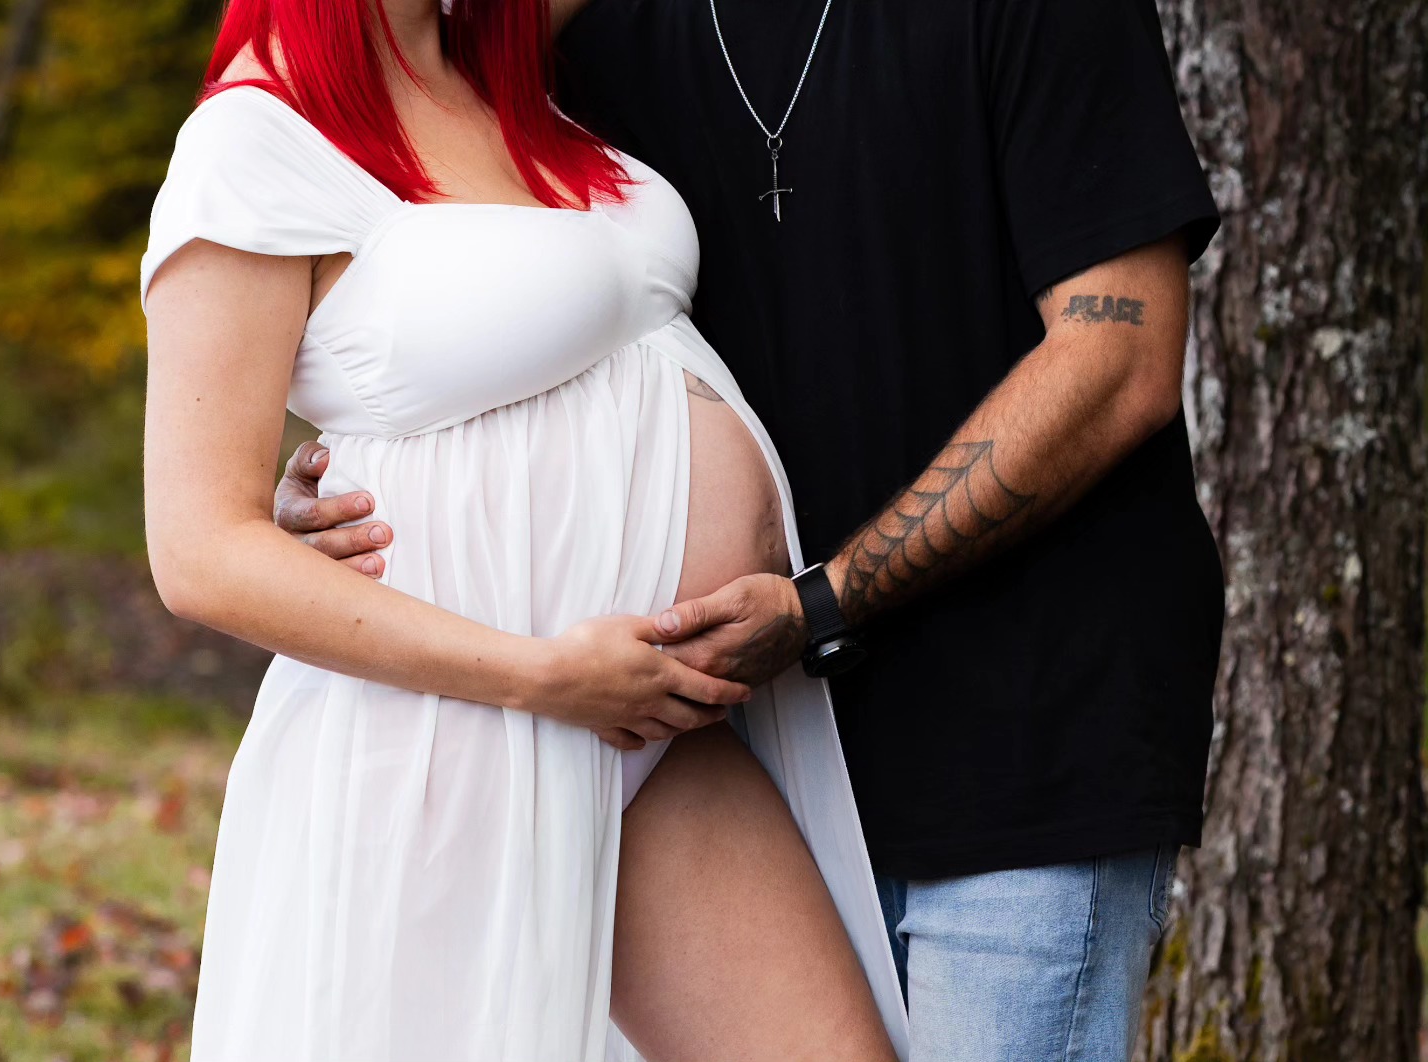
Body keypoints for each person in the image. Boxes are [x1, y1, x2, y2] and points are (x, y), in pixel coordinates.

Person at [284, 0, 1227, 1059]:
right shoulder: (582, 32)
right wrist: (362, 470)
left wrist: (823, 601)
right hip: (732, 756)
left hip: (1029, 730)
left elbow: (1121, 360)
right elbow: (496, 299)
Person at [140, 0, 910, 1058]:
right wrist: (539, 675)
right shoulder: (253, 138)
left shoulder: (509, 75)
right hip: (455, 735)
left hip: (644, 729)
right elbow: (199, 552)